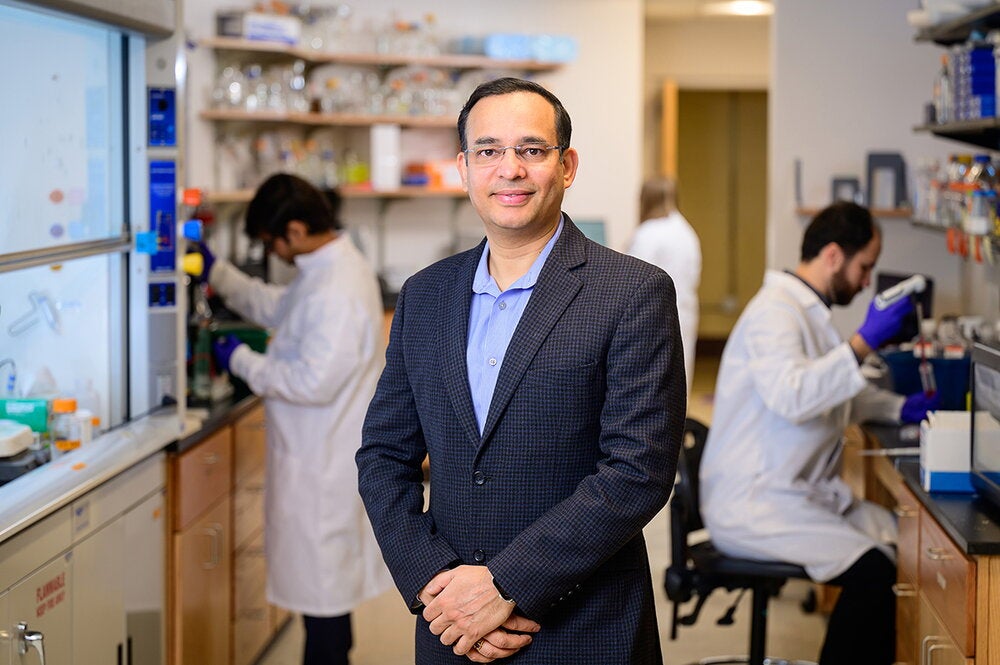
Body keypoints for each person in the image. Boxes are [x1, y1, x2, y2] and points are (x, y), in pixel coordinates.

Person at [355, 77, 687, 664]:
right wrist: (436, 584)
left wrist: (504, 585)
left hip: (582, 628)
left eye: (532, 151)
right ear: (464, 167)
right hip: (452, 626)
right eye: (489, 151)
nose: (510, 169)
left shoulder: (633, 292)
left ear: (567, 166)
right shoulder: (425, 296)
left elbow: (639, 471)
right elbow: (383, 455)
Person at [698, 201, 939, 665]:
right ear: (833, 256)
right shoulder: (775, 313)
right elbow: (794, 394)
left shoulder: (806, 312)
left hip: (795, 493)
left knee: (905, 546)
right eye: (865, 267)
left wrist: (899, 407)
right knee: (874, 574)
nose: (868, 281)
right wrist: (861, 344)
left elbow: (834, 395)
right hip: (756, 503)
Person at [201, 173, 392, 665]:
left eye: (272, 241)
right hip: (314, 460)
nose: (275, 252)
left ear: (297, 230)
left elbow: (312, 381)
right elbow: (276, 306)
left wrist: (240, 359)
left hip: (322, 470)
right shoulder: (323, 272)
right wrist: (216, 272)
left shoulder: (339, 287)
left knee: (324, 608)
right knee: (323, 603)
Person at [627, 176, 702, 397]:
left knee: (652, 388)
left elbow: (631, 280)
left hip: (654, 318)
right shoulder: (684, 229)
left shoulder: (649, 234)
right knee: (677, 383)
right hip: (683, 312)